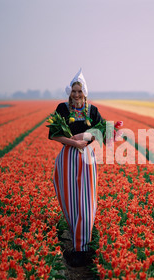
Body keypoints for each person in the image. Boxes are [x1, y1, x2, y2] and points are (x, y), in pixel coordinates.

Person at [48, 68, 103, 267]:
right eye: (74, 91)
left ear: (85, 92)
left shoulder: (92, 111)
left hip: (87, 158)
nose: (77, 94)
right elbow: (54, 134)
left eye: (80, 91)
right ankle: (77, 239)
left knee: (86, 201)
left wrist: (85, 138)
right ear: (70, 92)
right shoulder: (62, 109)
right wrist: (73, 143)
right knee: (69, 199)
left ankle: (82, 249)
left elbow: (102, 131)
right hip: (67, 157)